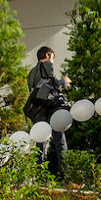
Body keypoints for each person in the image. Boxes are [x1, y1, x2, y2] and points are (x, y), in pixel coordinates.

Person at [26, 46, 68, 180]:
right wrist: (64, 82)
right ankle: (64, 173)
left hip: (38, 112)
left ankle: (39, 174)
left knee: (40, 142)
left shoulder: (31, 72)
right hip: (50, 110)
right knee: (60, 140)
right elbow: (53, 84)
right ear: (48, 55)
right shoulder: (46, 65)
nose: (53, 62)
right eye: (53, 58)